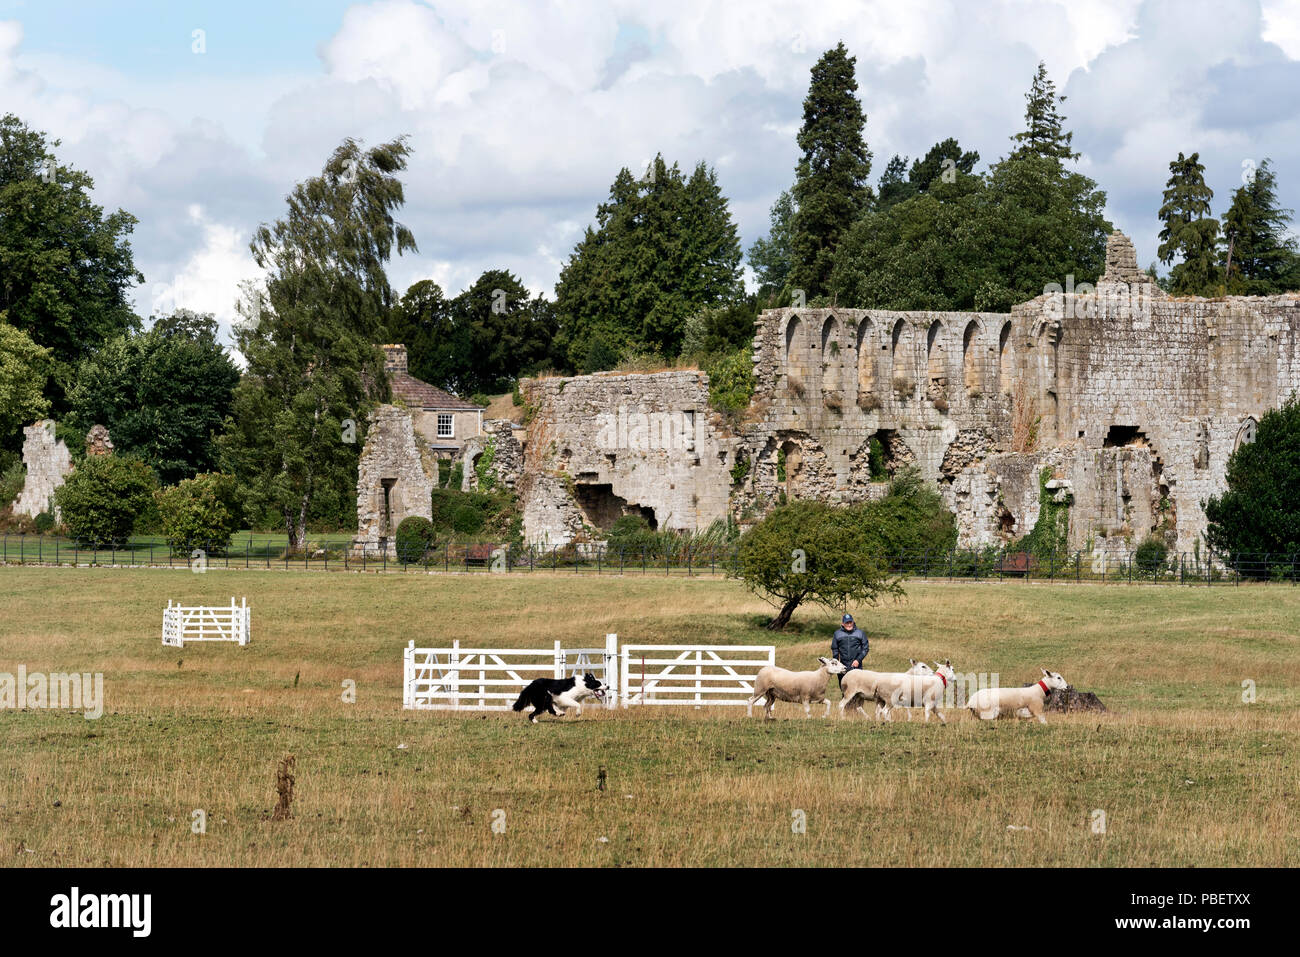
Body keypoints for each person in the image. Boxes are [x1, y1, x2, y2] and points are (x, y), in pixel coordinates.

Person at [831, 613, 868, 689]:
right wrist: (836, 662)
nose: (849, 624)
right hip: (843, 667)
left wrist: (858, 660)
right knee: (844, 689)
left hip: (856, 666)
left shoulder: (860, 633)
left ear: (853, 622)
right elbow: (835, 649)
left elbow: (865, 648)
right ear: (843, 623)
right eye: (847, 623)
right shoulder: (837, 634)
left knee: (857, 689)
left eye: (850, 622)